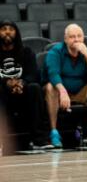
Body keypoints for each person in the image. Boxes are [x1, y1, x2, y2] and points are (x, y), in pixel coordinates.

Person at [43, 23, 87, 148]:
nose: (76, 39)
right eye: (72, 37)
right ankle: (53, 132)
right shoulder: (55, 52)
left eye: (79, 36)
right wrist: (63, 92)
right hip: (59, 92)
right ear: (65, 39)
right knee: (50, 87)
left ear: (83, 38)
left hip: (79, 91)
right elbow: (53, 74)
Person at [0, 19, 50, 150]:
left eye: (11, 29)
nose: (7, 32)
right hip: (3, 95)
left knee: (35, 88)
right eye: (3, 29)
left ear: (16, 33)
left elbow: (33, 74)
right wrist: (7, 82)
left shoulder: (26, 52)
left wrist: (22, 82)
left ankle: (39, 140)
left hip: (23, 92)